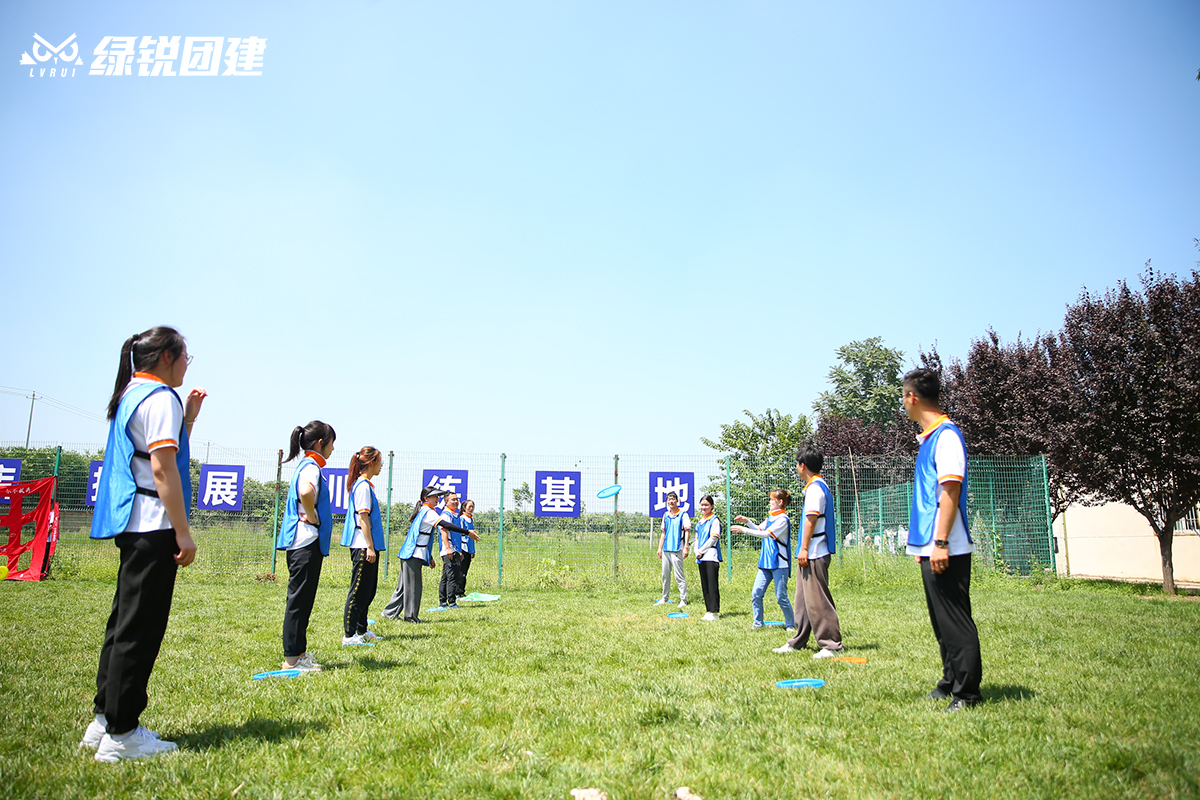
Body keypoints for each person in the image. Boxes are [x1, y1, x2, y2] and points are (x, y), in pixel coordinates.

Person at [84, 327, 206, 762]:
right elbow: (162, 470)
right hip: (154, 525)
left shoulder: (132, 393)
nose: (188, 362)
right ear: (168, 357)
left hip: (132, 523)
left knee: (123, 623)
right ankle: (123, 733)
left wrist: (188, 418)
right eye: (185, 354)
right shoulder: (158, 399)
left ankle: (104, 720)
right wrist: (183, 531)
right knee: (141, 628)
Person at [902, 367, 983, 712]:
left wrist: (941, 543)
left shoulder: (947, 436)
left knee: (954, 618)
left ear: (912, 398)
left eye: (903, 397)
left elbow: (950, 489)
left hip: (946, 544)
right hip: (930, 544)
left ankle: (967, 693)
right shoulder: (929, 438)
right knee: (940, 620)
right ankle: (950, 681)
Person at [275, 421, 337, 673]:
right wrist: (311, 516)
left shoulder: (308, 465)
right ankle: (291, 659)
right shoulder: (311, 467)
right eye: (332, 443)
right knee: (299, 601)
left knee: (303, 600)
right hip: (305, 543)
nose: (333, 449)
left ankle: (299, 653)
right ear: (321, 443)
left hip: (303, 543)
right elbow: (305, 491)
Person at [774, 446, 844, 658]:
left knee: (819, 600)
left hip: (814, 551)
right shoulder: (815, 486)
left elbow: (811, 519)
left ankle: (830, 644)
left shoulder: (815, 488)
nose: (796, 467)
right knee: (802, 601)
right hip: (809, 552)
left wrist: (803, 548)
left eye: (797, 464)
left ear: (802, 466)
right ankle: (798, 641)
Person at [389, 486, 474, 623]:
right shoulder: (429, 512)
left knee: (403, 587)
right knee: (413, 587)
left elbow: (422, 537)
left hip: (411, 553)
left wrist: (429, 557)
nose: (438, 498)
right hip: (413, 554)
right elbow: (445, 525)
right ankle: (411, 617)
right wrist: (467, 532)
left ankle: (389, 613)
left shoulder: (425, 511)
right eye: (435, 496)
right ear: (426, 498)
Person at [732, 489, 795, 630]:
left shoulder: (783, 520)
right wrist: (747, 522)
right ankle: (757, 623)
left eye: (772, 500)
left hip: (780, 563)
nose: (770, 502)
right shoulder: (771, 518)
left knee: (781, 597)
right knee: (756, 593)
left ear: (780, 502)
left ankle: (791, 624)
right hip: (765, 562)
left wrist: (744, 530)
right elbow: (760, 529)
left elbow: (766, 534)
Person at [340, 446, 385, 645]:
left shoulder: (367, 485)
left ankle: (362, 630)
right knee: (358, 591)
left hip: (368, 545)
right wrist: (369, 547)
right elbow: (363, 517)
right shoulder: (362, 486)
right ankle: (349, 635)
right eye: (380, 462)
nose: (382, 466)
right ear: (371, 463)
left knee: (369, 590)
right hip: (362, 546)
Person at [654, 491, 690, 607]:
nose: (671, 501)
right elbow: (663, 533)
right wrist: (659, 548)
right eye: (669, 499)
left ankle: (683, 600)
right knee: (665, 575)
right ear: (666, 501)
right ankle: (664, 598)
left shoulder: (683, 514)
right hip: (666, 550)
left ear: (677, 500)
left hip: (677, 549)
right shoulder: (666, 515)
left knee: (679, 576)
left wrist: (686, 547)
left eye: (673, 499)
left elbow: (687, 531)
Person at [692, 494, 722, 621]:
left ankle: (714, 611)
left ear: (712, 506)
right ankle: (708, 610)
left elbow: (713, 538)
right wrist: (696, 551)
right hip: (701, 556)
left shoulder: (714, 520)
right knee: (705, 584)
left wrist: (701, 550)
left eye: (706, 505)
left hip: (710, 555)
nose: (704, 507)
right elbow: (697, 538)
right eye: (702, 505)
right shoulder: (700, 522)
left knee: (712, 584)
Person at [437, 492, 464, 609]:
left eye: (457, 499)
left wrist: (460, 551)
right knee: (452, 576)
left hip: (455, 549)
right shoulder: (446, 515)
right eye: (452, 500)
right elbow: (443, 531)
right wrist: (448, 548)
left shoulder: (455, 515)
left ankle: (443, 601)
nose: (456, 502)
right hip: (449, 550)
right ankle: (451, 602)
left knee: (446, 575)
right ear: (446, 502)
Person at [455, 498, 481, 601]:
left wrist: (472, 550)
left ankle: (462, 591)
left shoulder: (470, 519)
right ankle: (457, 592)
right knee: (460, 571)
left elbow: (472, 537)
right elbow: (461, 534)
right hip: (463, 548)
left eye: (472, 506)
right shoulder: (461, 519)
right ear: (464, 508)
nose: (471, 508)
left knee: (465, 571)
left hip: (469, 549)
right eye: (469, 506)